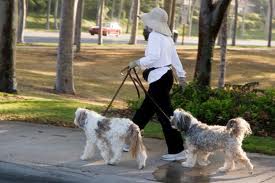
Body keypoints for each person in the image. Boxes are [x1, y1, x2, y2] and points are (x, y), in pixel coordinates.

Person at [126, 7, 187, 161]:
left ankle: (177, 150)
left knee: (165, 115)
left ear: (153, 22)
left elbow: (153, 57)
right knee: (145, 112)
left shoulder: (155, 36)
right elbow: (175, 58)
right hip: (165, 77)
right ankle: (129, 140)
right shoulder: (167, 37)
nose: (146, 25)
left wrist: (137, 62)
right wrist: (181, 76)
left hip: (159, 78)